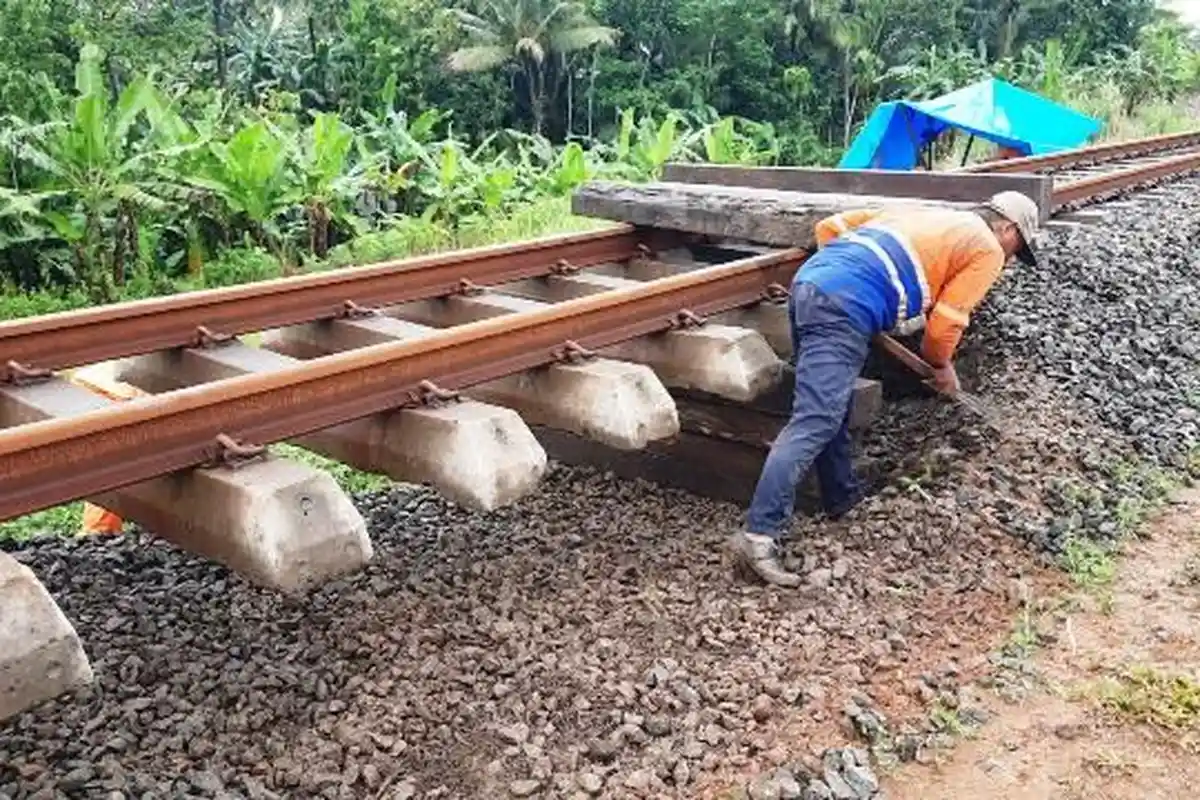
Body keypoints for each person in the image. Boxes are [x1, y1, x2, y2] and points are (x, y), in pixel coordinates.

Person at [729, 191, 1041, 586]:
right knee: (815, 420)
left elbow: (830, 228)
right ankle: (757, 538)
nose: (1011, 259)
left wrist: (850, 284)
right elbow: (945, 324)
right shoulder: (987, 248)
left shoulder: (925, 210)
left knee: (830, 410)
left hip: (810, 283)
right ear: (1006, 228)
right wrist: (942, 367)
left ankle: (841, 499)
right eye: (1017, 248)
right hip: (842, 303)